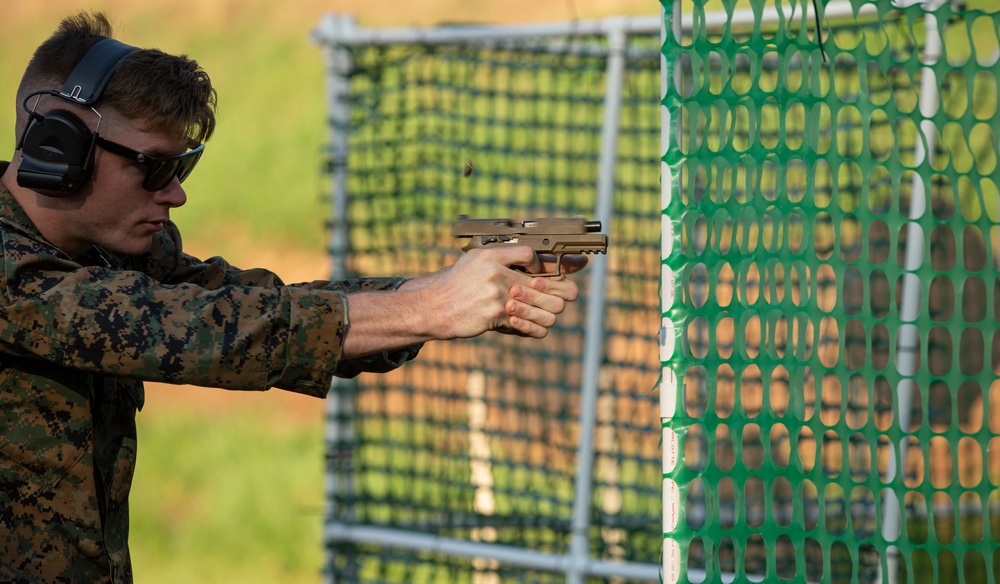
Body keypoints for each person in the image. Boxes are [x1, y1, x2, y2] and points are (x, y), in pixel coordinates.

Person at [0, 12, 586, 583]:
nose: (175, 194)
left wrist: (435, 290)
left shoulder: (115, 253)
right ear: (58, 145)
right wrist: (431, 307)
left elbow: (253, 304)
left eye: (184, 166)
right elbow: (198, 331)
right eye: (153, 169)